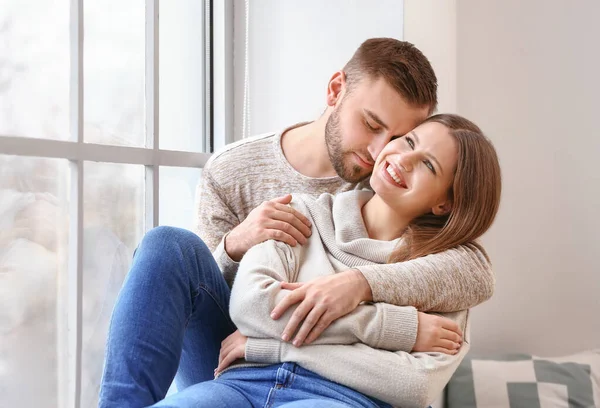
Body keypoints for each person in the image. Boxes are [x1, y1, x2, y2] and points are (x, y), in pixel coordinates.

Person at [98, 39, 495, 406]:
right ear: (336, 90)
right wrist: (236, 246)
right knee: (167, 245)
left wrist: (356, 286)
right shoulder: (244, 176)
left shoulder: (391, 190)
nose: (380, 152)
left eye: (401, 136)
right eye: (373, 126)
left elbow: (472, 273)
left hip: (312, 374)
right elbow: (215, 297)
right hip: (231, 356)